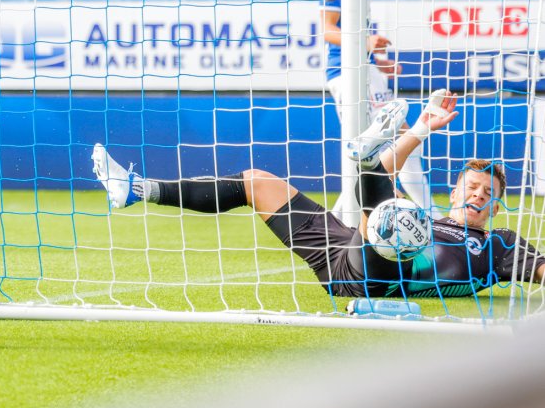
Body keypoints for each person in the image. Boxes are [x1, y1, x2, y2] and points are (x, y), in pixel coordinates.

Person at [95, 91, 545, 298]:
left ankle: (366, 158)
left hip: (382, 277)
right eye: (472, 186)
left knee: (393, 217)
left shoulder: (499, 243)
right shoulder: (429, 213)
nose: (478, 195)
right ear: (454, 190)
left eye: (488, 193)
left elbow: (541, 268)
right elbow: (384, 183)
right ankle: (136, 189)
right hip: (343, 248)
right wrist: (422, 128)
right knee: (257, 181)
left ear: (498, 204)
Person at [318, 0, 435, 224]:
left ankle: (431, 216)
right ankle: (339, 223)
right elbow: (327, 29)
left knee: (406, 141)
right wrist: (365, 45)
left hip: (366, 72)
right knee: (372, 150)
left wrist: (376, 61)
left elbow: (353, 32)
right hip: (346, 75)